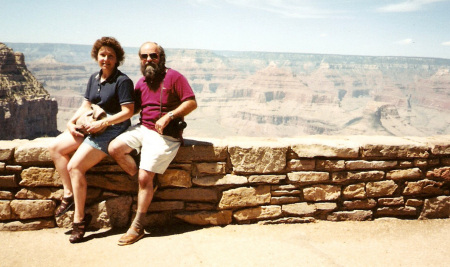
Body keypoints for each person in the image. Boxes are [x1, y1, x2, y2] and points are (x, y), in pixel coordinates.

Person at [108, 42, 197, 246]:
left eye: (153, 56)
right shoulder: (141, 83)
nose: (148, 60)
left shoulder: (174, 77)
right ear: (140, 59)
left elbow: (191, 102)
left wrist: (169, 116)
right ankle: (149, 184)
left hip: (166, 135)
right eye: (144, 56)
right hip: (144, 129)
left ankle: (137, 226)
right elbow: (132, 109)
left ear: (161, 58)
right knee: (114, 148)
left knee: (144, 176)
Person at [48, 37, 135, 243]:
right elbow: (86, 105)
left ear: (117, 59)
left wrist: (103, 124)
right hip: (92, 126)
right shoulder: (94, 78)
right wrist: (71, 122)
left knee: (75, 167)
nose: (106, 59)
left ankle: (79, 220)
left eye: (110, 56)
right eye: (102, 55)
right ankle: (68, 194)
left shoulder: (122, 81)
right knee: (55, 148)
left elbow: (127, 112)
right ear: (96, 56)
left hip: (110, 131)